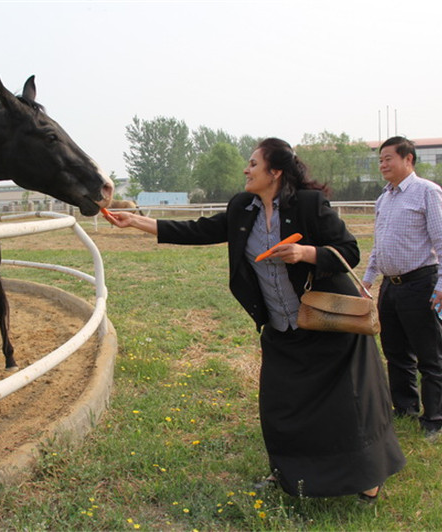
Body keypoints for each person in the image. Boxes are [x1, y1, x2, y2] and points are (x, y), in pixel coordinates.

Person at [108, 138, 405, 502]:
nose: (246, 170)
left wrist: (305, 252)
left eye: (253, 164)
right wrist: (136, 221)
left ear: (275, 171)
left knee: (349, 406)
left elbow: (349, 251)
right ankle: (290, 476)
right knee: (281, 407)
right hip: (280, 327)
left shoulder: (309, 204)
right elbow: (199, 230)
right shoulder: (242, 208)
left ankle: (367, 477)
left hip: (327, 323)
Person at [362, 136, 442, 442]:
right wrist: (368, 280)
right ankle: (405, 408)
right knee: (396, 352)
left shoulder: (427, 192)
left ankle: (433, 419)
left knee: (429, 356)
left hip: (422, 283)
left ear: (408, 159)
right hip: (391, 287)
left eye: (388, 158)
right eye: (380, 160)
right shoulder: (384, 198)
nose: (383, 165)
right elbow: (379, 247)